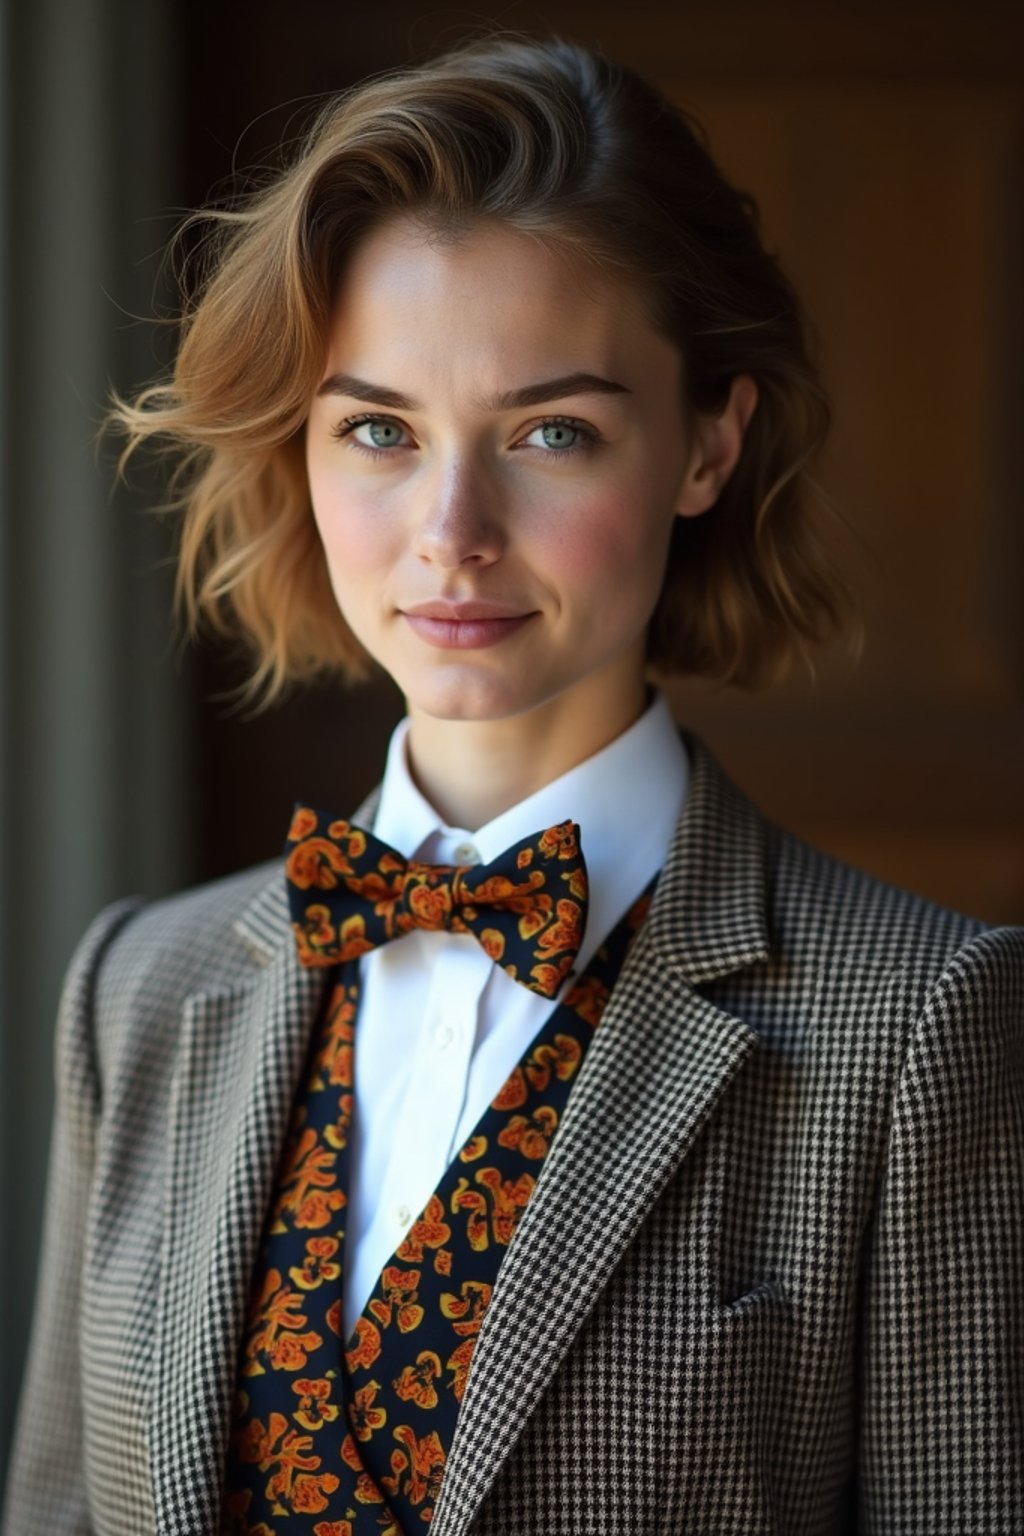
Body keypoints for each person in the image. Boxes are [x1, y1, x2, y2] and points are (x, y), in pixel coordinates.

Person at [3, 31, 1022, 1536]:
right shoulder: (135, 995)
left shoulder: (921, 1027)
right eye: (380, 432)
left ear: (705, 445)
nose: (453, 528)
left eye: (553, 432)